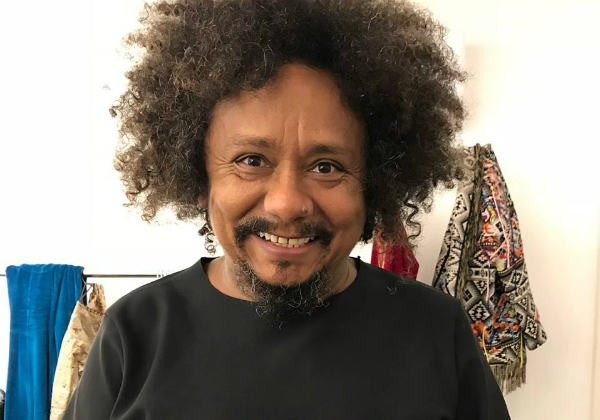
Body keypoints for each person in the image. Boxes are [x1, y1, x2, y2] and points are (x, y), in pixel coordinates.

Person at [64, 0, 512, 418]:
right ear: (201, 179)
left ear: (374, 184)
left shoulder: (435, 330)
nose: (286, 203)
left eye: (326, 166)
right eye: (251, 160)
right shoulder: (134, 332)